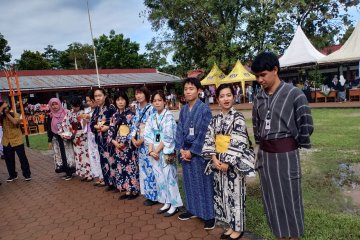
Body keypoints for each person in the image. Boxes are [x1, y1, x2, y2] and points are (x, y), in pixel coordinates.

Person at [251, 52, 313, 240]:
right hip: (266, 158)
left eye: (263, 75)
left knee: (289, 200)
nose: (260, 80)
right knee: (272, 200)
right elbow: (257, 125)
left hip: (287, 157)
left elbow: (306, 124)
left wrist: (291, 143)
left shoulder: (295, 94)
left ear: (275, 70)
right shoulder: (258, 98)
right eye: (257, 76)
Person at [202, 84, 255, 240]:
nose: (226, 99)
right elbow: (209, 139)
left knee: (236, 196)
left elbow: (239, 141)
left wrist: (227, 162)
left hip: (234, 164)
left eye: (229, 95)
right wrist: (214, 159)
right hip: (218, 162)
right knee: (222, 195)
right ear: (217, 99)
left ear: (234, 97)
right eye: (222, 96)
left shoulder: (238, 117)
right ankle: (230, 225)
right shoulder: (215, 119)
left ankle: (238, 228)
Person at [175, 78, 215, 230]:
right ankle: (192, 209)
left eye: (191, 88)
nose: (188, 91)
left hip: (198, 153)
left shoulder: (204, 109)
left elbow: (205, 133)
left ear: (198, 90)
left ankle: (209, 215)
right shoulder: (184, 109)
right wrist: (181, 149)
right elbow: (179, 131)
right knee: (189, 183)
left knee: (203, 184)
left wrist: (192, 151)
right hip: (185, 152)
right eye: (186, 89)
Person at [144, 90, 183, 217]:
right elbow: (148, 134)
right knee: (159, 177)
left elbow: (168, 136)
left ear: (164, 102)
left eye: (159, 100)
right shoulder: (151, 116)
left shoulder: (169, 116)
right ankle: (166, 201)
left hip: (166, 151)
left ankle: (175, 204)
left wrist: (156, 150)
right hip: (155, 151)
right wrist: (150, 150)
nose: (157, 103)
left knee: (170, 177)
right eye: (154, 101)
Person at [108, 91, 139, 200]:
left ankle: (133, 190)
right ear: (115, 102)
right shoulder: (114, 116)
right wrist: (114, 142)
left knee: (131, 167)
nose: (120, 102)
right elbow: (111, 131)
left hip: (128, 145)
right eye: (118, 100)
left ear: (126, 100)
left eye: (122, 99)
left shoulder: (131, 115)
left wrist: (125, 142)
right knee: (121, 168)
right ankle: (126, 189)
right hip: (118, 146)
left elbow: (133, 130)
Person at [131, 86, 158, 206]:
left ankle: (154, 195)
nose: (138, 96)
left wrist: (142, 140)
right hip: (138, 143)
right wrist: (132, 138)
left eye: (141, 93)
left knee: (150, 168)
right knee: (143, 169)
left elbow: (152, 127)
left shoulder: (151, 109)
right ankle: (147, 193)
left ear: (146, 94)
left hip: (148, 143)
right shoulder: (137, 109)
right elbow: (134, 126)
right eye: (137, 94)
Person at [90, 88, 116, 191]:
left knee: (112, 161)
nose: (98, 98)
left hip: (109, 141)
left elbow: (116, 121)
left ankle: (115, 183)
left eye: (100, 95)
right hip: (100, 141)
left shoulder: (111, 108)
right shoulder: (96, 110)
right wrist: (96, 127)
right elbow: (92, 124)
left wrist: (108, 127)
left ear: (104, 96)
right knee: (104, 161)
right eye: (96, 96)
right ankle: (108, 182)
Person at [62, 96, 92, 181]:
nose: (75, 108)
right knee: (78, 157)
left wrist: (81, 130)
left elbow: (86, 125)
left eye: (77, 106)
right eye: (73, 106)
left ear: (80, 105)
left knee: (86, 156)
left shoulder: (84, 112)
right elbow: (65, 123)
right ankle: (83, 174)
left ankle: (89, 174)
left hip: (83, 137)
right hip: (74, 137)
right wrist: (68, 132)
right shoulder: (69, 113)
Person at [0, 101, 32, 182]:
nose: (5, 109)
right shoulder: (1, 117)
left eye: (6, 107)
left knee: (22, 158)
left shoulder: (15, 114)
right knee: (8, 159)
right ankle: (12, 175)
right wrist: (2, 109)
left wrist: (7, 114)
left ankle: (27, 174)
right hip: (6, 141)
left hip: (17, 140)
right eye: (4, 108)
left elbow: (15, 122)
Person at [48, 98, 76, 180]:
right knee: (61, 154)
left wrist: (70, 133)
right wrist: (49, 139)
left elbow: (72, 123)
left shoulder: (66, 112)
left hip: (66, 137)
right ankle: (65, 171)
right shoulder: (51, 115)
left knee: (68, 153)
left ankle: (70, 171)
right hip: (57, 137)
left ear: (59, 104)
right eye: (52, 105)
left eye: (56, 104)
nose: (54, 106)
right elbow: (49, 127)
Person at [84, 91, 104, 186]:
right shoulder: (91, 110)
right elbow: (90, 124)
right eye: (87, 101)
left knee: (99, 154)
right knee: (94, 155)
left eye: (90, 100)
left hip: (100, 134)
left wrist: (91, 119)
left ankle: (102, 176)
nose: (89, 103)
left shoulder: (100, 109)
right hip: (91, 133)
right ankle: (99, 175)